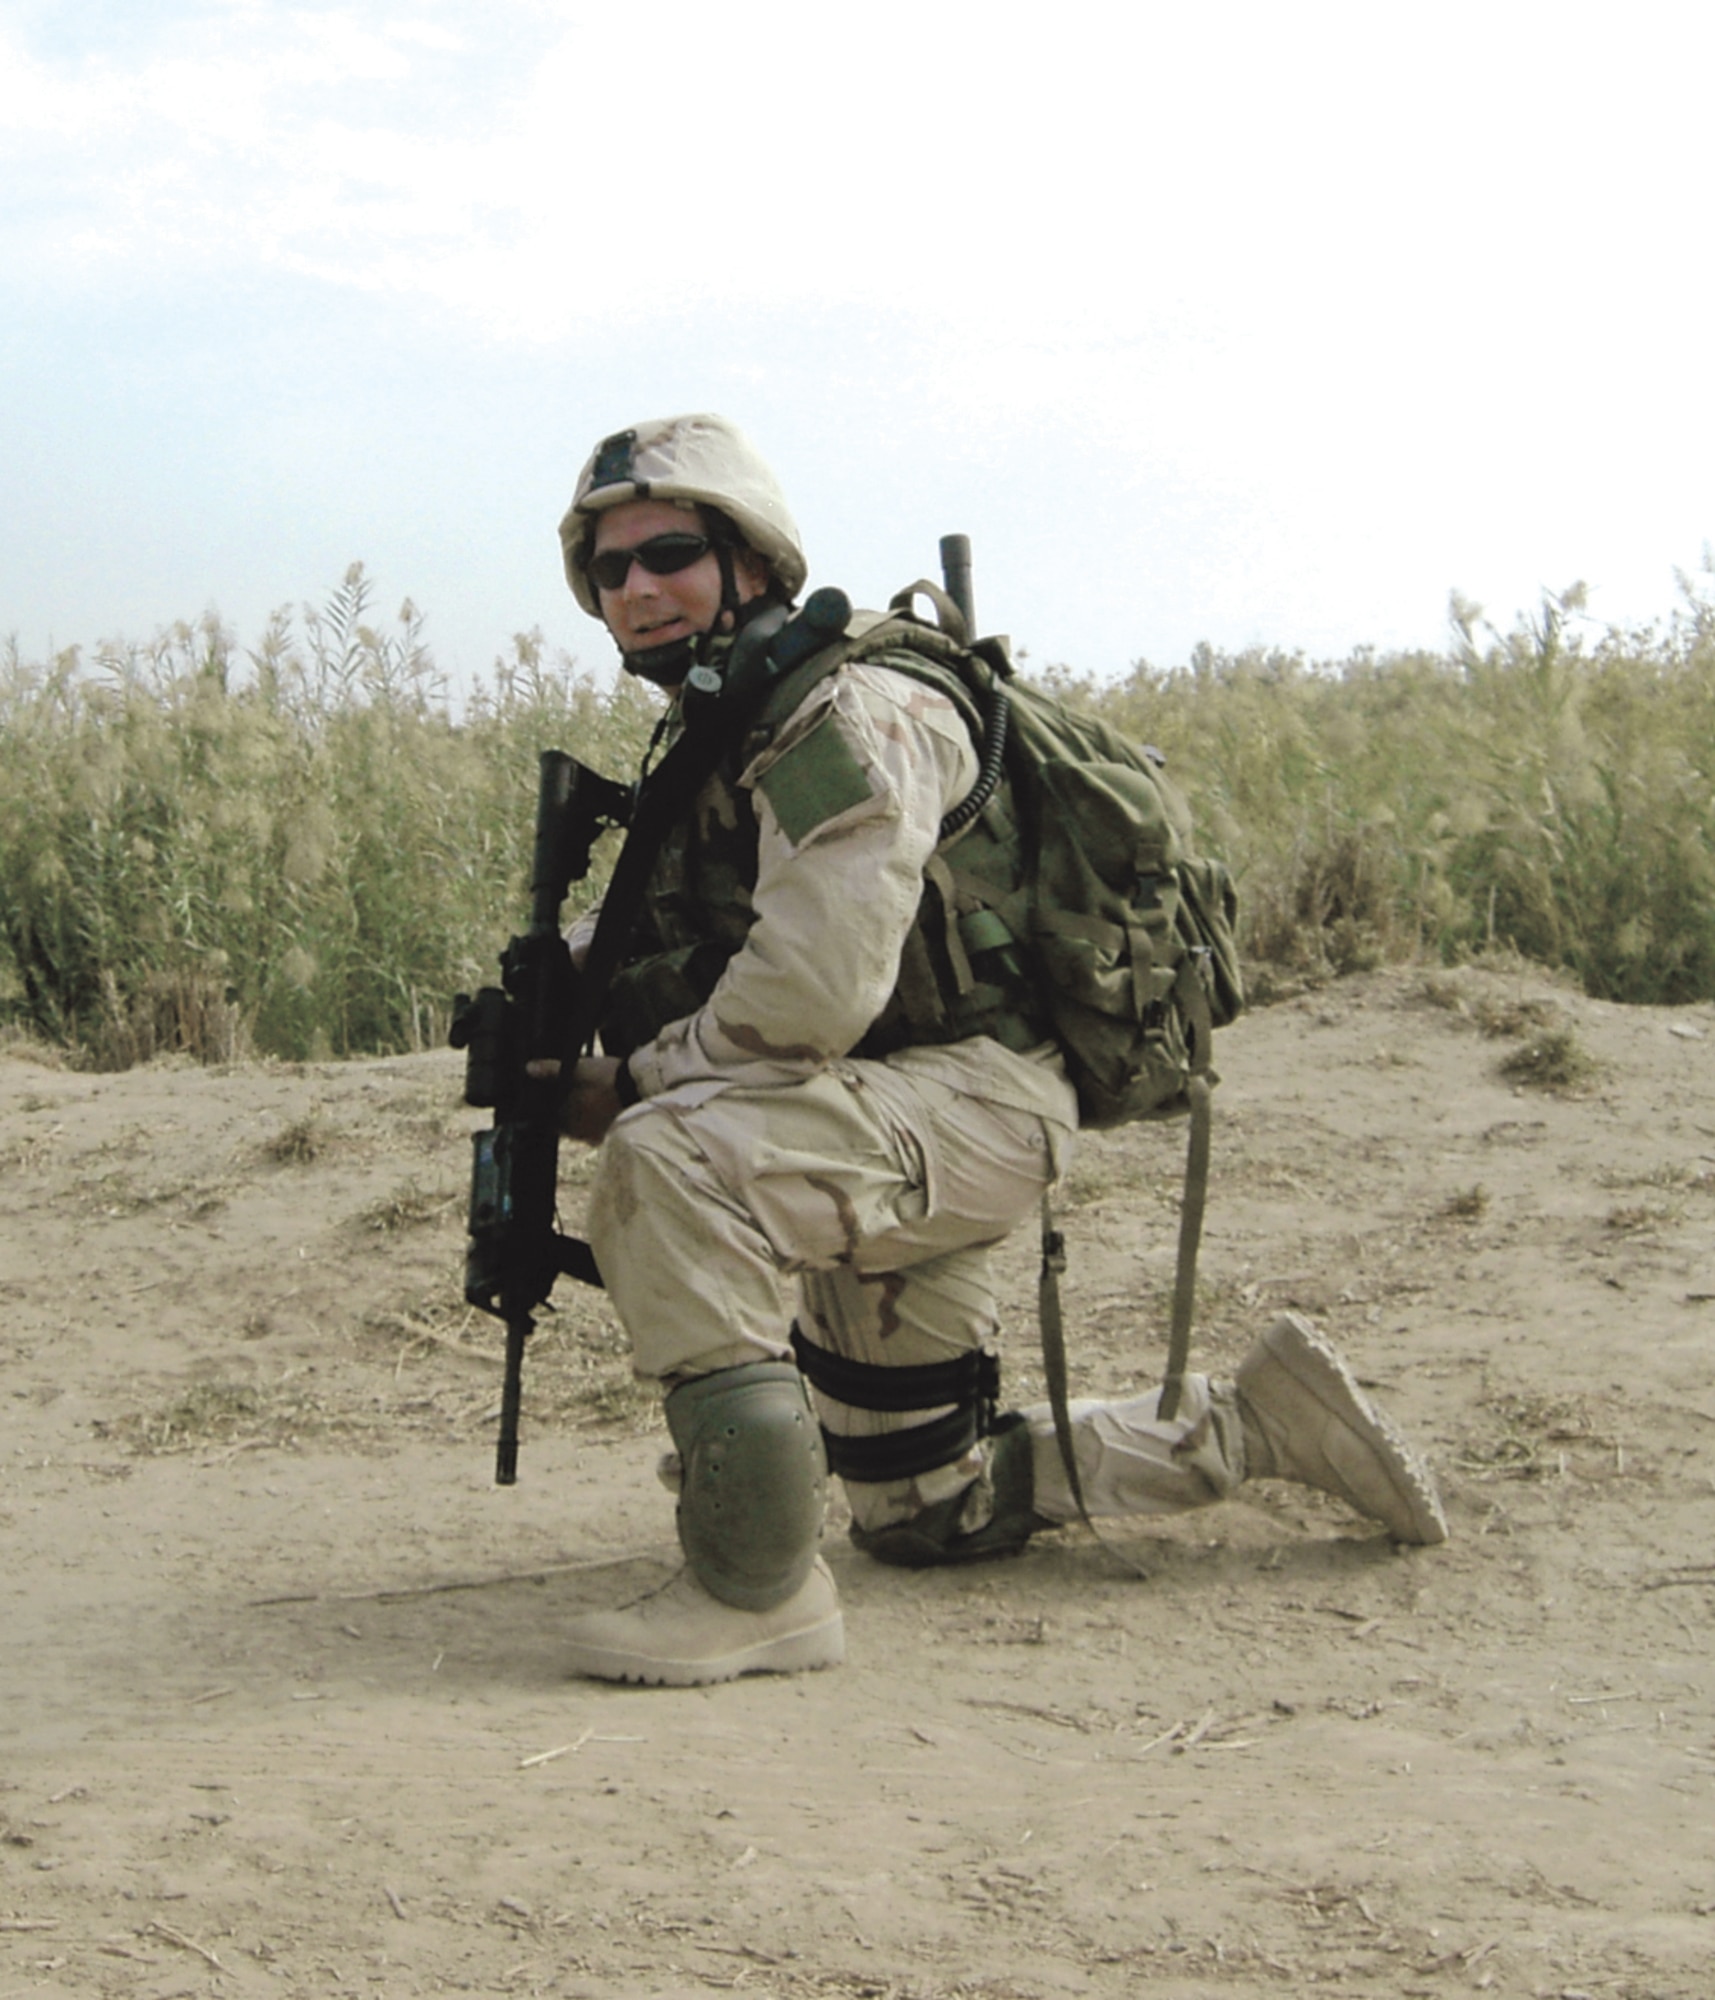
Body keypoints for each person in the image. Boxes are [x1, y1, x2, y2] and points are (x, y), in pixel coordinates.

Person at [546, 413, 1447, 1687]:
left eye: (669, 553)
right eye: (609, 571)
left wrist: (625, 1081)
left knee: (668, 1159)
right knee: (921, 1508)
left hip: (971, 1100)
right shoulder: (725, 722)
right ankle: (1248, 1426)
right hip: (875, 1107)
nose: (636, 589)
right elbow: (709, 914)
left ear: (750, 558)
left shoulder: (844, 710)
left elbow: (805, 989)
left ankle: (754, 1593)